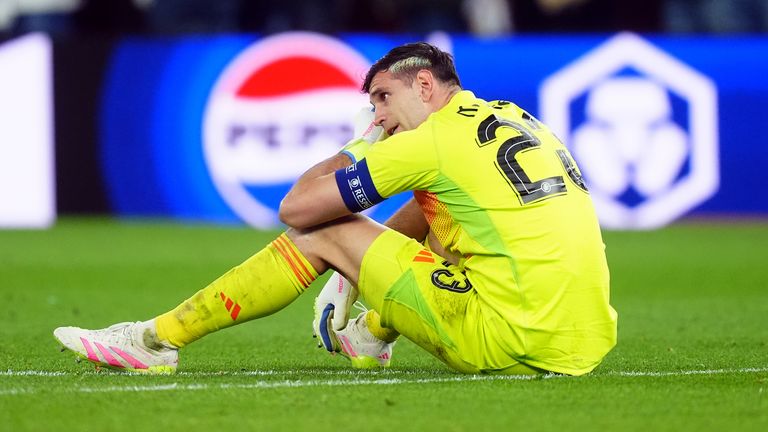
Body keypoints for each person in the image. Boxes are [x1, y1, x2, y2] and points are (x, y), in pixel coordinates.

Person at [54, 42, 617, 376]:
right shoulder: (510, 116)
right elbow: (436, 211)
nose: (376, 116)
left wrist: (359, 147)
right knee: (446, 218)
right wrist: (354, 280)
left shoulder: (428, 142)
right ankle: (373, 332)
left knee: (321, 234)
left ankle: (156, 341)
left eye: (382, 99)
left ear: (424, 85)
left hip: (511, 339)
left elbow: (298, 208)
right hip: (582, 340)